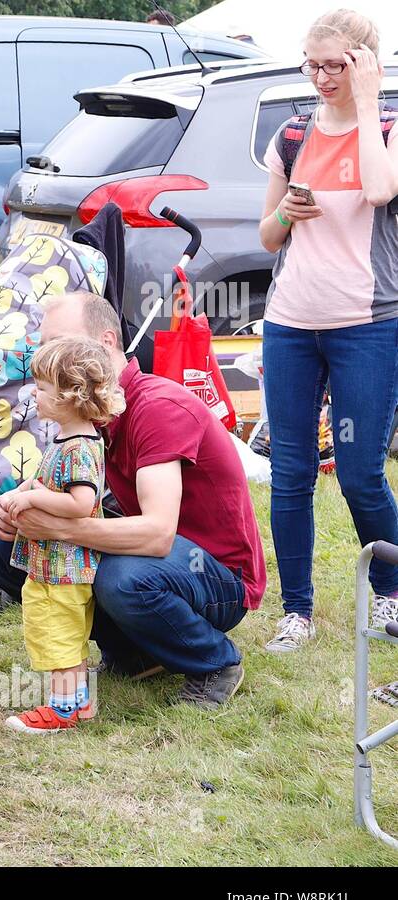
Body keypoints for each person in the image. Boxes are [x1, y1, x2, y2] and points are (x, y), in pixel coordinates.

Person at [0, 291, 266, 710]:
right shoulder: (85, 414)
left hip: (217, 575)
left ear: (106, 343)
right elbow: (66, 491)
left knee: (122, 578)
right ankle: (135, 655)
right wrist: (15, 512)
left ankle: (214, 663)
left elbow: (157, 535)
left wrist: (57, 527)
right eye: (43, 344)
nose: (46, 355)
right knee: (0, 550)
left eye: (59, 342)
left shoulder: (157, 408)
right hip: (159, 561)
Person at [258, 8, 398, 653]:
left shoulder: (389, 126)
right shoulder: (291, 133)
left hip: (366, 325)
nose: (319, 77)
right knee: (290, 472)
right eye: (310, 64)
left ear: (365, 63)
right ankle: (298, 612)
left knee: (360, 472)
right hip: (290, 321)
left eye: (334, 65)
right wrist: (286, 211)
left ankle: (393, 595)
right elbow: (267, 236)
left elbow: (378, 189)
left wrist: (366, 104)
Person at [0, 337, 123, 734]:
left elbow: (81, 502)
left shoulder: (79, 446)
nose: (35, 393)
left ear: (72, 396)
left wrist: (35, 501)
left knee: (57, 636)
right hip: (59, 565)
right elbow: (45, 479)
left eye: (44, 388)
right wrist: (20, 493)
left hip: (61, 569)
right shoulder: (68, 439)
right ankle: (79, 703)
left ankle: (61, 711)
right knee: (68, 635)